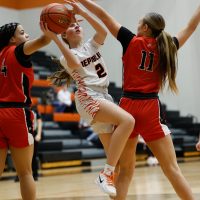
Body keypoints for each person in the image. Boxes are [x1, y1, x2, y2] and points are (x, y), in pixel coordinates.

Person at [76, 0, 200, 199]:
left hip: (128, 107)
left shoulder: (130, 41)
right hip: (150, 107)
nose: (136, 26)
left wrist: (81, 3)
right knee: (172, 170)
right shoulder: (168, 46)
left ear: (145, 27)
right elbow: (191, 26)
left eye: (139, 23)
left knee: (124, 171)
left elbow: (103, 15)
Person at [41, 1, 135, 197]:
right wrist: (55, 38)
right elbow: (74, 63)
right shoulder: (66, 56)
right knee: (128, 120)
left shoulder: (91, 45)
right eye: (70, 26)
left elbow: (103, 30)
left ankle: (109, 176)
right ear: (64, 34)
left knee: (118, 163)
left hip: (103, 96)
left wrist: (81, 11)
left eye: (77, 24)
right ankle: (105, 173)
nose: (76, 25)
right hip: (88, 97)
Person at [0, 22, 51, 200]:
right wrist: (54, 25)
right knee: (25, 173)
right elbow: (45, 40)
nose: (27, 35)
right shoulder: (18, 51)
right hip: (16, 114)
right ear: (12, 39)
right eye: (22, 32)